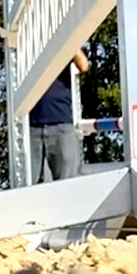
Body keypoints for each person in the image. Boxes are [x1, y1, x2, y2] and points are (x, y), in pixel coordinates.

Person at [28, 48, 90, 182]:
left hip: (61, 123)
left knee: (67, 184)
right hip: (31, 126)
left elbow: (83, 65)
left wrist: (71, 42)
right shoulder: (27, 48)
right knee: (27, 186)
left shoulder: (62, 44)